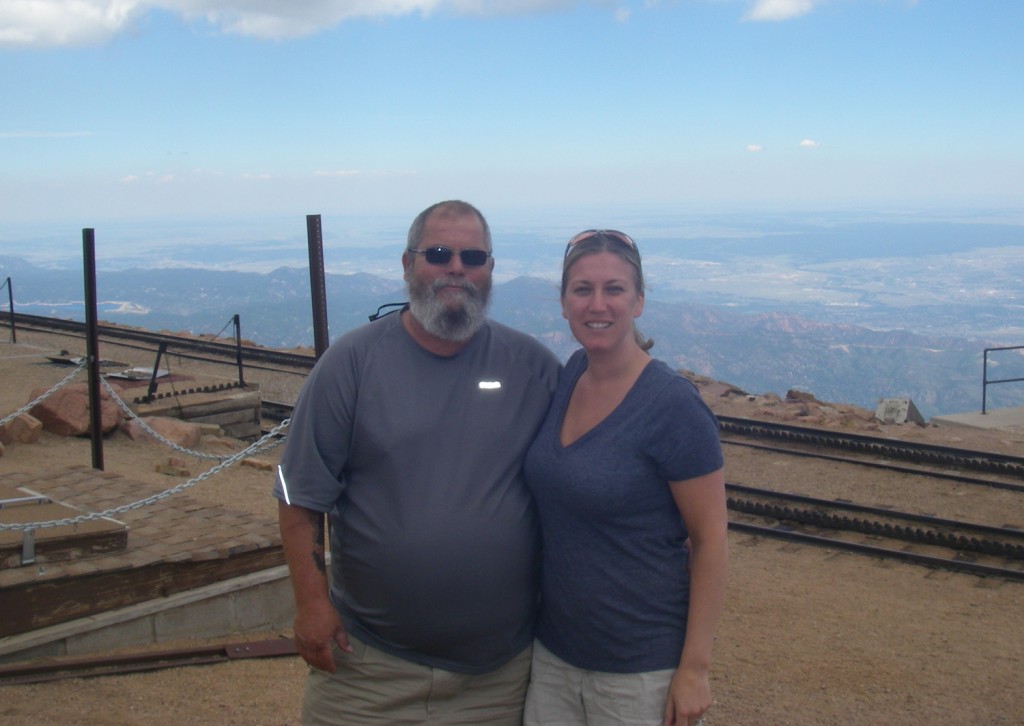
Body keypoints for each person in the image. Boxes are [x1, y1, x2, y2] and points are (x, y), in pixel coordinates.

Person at [273, 200, 560, 725]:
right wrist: (312, 605)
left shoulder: (533, 368)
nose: (456, 267)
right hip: (369, 670)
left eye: (472, 256)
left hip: (497, 678)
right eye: (438, 253)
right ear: (408, 265)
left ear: (490, 270)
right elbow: (300, 497)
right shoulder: (352, 364)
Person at [523, 229, 728, 726]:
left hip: (639, 670)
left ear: (638, 301)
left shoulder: (672, 406)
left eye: (614, 289)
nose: (598, 304)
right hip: (554, 656)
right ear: (564, 302)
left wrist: (694, 669)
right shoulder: (571, 374)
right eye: (583, 289)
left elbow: (710, 539)